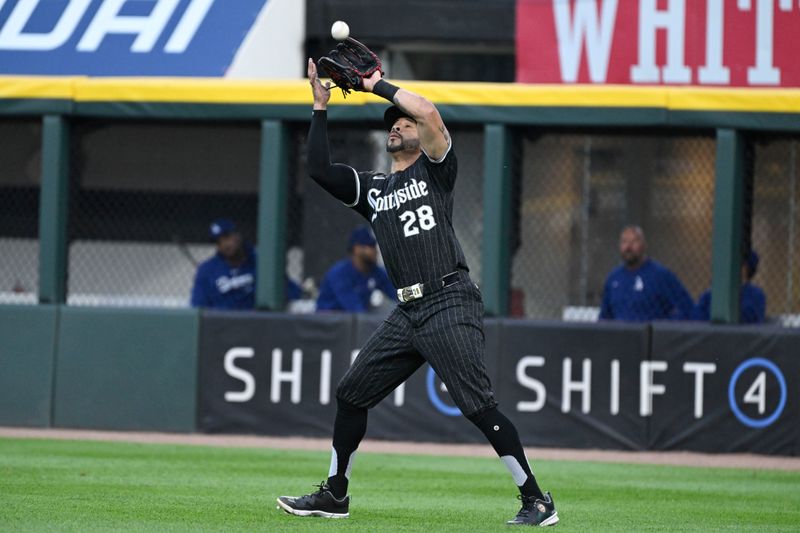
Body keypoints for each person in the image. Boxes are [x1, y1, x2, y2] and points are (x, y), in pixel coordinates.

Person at [275, 59, 559, 527]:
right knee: (351, 393)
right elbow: (319, 169)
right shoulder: (374, 189)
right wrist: (320, 108)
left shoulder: (434, 171)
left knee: (476, 405)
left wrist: (375, 86)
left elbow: (427, 111)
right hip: (407, 311)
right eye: (393, 124)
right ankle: (335, 494)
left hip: (448, 297)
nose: (398, 126)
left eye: (403, 123)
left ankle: (536, 499)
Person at [190, 219, 301, 310]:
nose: (224, 244)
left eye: (227, 237)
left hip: (257, 326)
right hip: (222, 328)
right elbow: (198, 306)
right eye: (218, 242)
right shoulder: (207, 270)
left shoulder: (262, 262)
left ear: (237, 235)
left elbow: (291, 292)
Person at [599, 225, 694, 321]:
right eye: (624, 242)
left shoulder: (660, 275)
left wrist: (662, 329)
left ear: (644, 245)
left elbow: (686, 308)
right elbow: (605, 317)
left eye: (634, 241)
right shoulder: (613, 279)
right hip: (620, 335)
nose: (628, 247)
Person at [316, 225, 396, 312]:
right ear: (357, 248)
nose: (375, 250)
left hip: (353, 322)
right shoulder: (340, 273)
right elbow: (355, 309)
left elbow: (396, 294)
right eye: (370, 246)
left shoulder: (375, 271)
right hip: (328, 321)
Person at [693, 250, 766, 324]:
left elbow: (746, 317)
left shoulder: (755, 294)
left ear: (745, 268)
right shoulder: (710, 294)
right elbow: (696, 316)